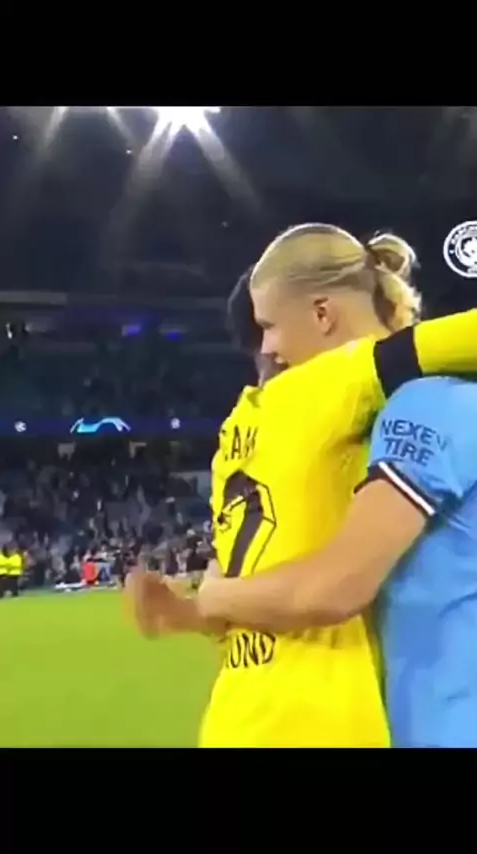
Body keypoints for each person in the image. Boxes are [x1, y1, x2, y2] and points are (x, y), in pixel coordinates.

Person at [127, 228, 477, 747]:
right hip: (324, 719)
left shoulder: (237, 434)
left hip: (241, 717)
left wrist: (206, 603)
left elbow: (318, 587)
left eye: (269, 326)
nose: (270, 349)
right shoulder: (339, 389)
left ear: (322, 313)